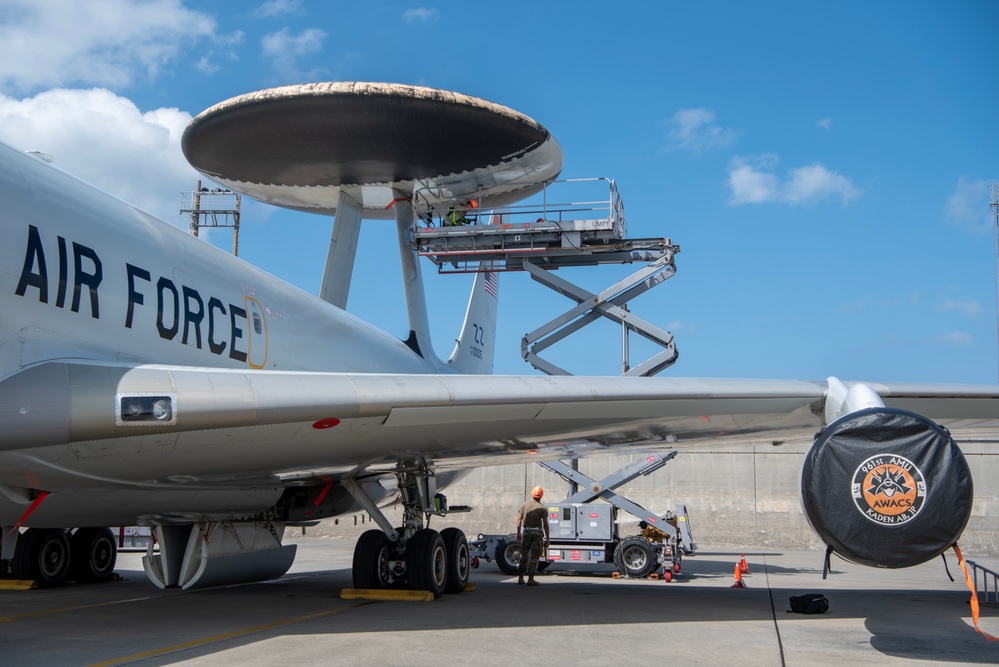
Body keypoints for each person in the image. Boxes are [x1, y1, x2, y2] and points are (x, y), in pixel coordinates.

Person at [516, 485, 550, 585]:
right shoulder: (542, 508)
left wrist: (518, 533)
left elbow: (519, 520)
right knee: (535, 556)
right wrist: (547, 539)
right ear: (541, 495)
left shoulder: (524, 505)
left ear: (532, 494)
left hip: (526, 532)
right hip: (537, 533)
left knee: (524, 554)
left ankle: (521, 578)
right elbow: (546, 524)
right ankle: (531, 579)